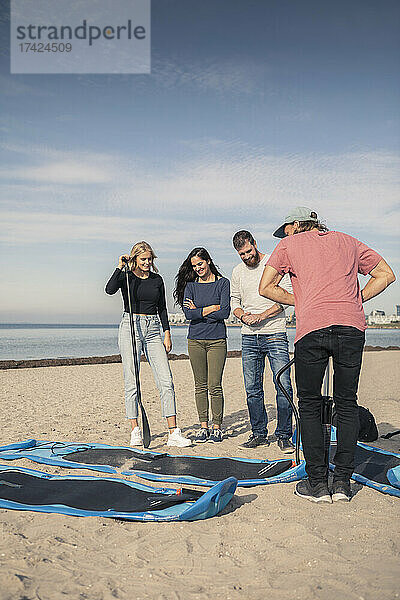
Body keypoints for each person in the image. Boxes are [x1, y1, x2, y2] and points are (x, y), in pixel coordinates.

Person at [259, 207, 395, 503]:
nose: (284, 236)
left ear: (296, 225)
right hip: (351, 327)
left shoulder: (288, 245)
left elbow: (265, 287)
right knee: (347, 403)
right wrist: (356, 297)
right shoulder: (348, 240)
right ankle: (343, 484)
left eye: (285, 230)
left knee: (309, 403)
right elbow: (386, 274)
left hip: (312, 328)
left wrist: (304, 301)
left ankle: (318, 484)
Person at [105, 241, 191, 448]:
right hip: (130, 327)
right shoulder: (125, 277)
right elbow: (109, 290)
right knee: (132, 381)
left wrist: (167, 333)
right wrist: (120, 266)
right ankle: (135, 430)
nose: (147, 262)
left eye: (150, 259)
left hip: (153, 329)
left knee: (166, 380)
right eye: (143, 259)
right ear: (135, 258)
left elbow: (162, 308)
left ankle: (173, 433)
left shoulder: (157, 279)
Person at [231, 230, 294, 453]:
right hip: (248, 337)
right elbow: (234, 302)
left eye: (248, 251)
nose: (247, 256)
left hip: (275, 333)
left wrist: (262, 316)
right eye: (242, 254)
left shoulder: (274, 263)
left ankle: (284, 435)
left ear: (255, 244)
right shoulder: (237, 272)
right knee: (252, 389)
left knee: (283, 385)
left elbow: (287, 298)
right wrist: (242, 316)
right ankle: (259, 434)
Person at [174, 248, 230, 442]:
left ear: (208, 261)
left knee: (215, 385)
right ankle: (203, 427)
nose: (198, 268)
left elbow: (224, 313)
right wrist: (211, 308)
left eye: (200, 264)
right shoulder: (190, 286)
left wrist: (200, 310)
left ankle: (217, 427)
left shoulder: (223, 283)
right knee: (200, 386)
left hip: (217, 341)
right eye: (194, 265)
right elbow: (189, 315)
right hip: (195, 340)